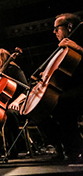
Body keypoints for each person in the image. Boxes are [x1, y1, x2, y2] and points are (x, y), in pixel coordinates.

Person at [30, 13, 83, 161]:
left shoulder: (76, 43)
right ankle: (60, 146)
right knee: (38, 111)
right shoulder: (63, 46)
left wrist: (78, 47)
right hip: (67, 89)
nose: (54, 32)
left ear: (70, 27)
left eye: (57, 28)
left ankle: (75, 148)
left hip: (80, 88)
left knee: (60, 104)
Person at [0, 48, 28, 158]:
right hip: (6, 104)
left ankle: (16, 147)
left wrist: (17, 102)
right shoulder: (1, 73)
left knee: (9, 114)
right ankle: (0, 148)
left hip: (20, 103)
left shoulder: (14, 70)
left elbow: (26, 89)